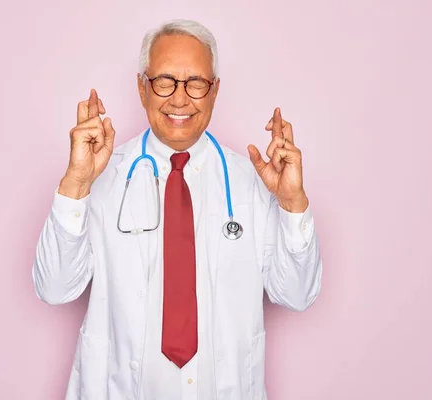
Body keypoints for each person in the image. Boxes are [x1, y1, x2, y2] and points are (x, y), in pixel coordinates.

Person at [32, 19, 322, 400]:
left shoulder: (251, 181)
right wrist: (76, 182)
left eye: (196, 83)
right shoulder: (101, 175)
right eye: (164, 81)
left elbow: (298, 296)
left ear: (215, 91)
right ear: (142, 87)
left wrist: (292, 204)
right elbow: (54, 289)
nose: (180, 99)